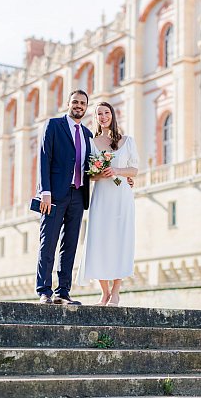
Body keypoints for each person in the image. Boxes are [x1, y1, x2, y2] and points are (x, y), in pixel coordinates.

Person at [76, 102, 139, 306]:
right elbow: (90, 176)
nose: (103, 117)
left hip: (122, 196)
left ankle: (116, 291)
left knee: (121, 239)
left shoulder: (127, 141)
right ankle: (104, 292)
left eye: (106, 113)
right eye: (99, 114)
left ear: (112, 115)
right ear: (95, 118)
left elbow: (134, 170)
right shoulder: (92, 142)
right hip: (102, 196)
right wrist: (99, 172)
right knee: (98, 239)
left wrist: (118, 171)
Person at [36, 90, 92, 305]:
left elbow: (91, 165)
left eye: (83, 103)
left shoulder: (87, 134)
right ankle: (44, 290)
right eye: (75, 102)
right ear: (68, 104)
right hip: (54, 195)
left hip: (78, 194)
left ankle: (63, 292)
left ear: (86, 107)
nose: (79, 105)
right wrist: (45, 192)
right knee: (47, 241)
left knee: (70, 244)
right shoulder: (53, 125)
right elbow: (44, 158)